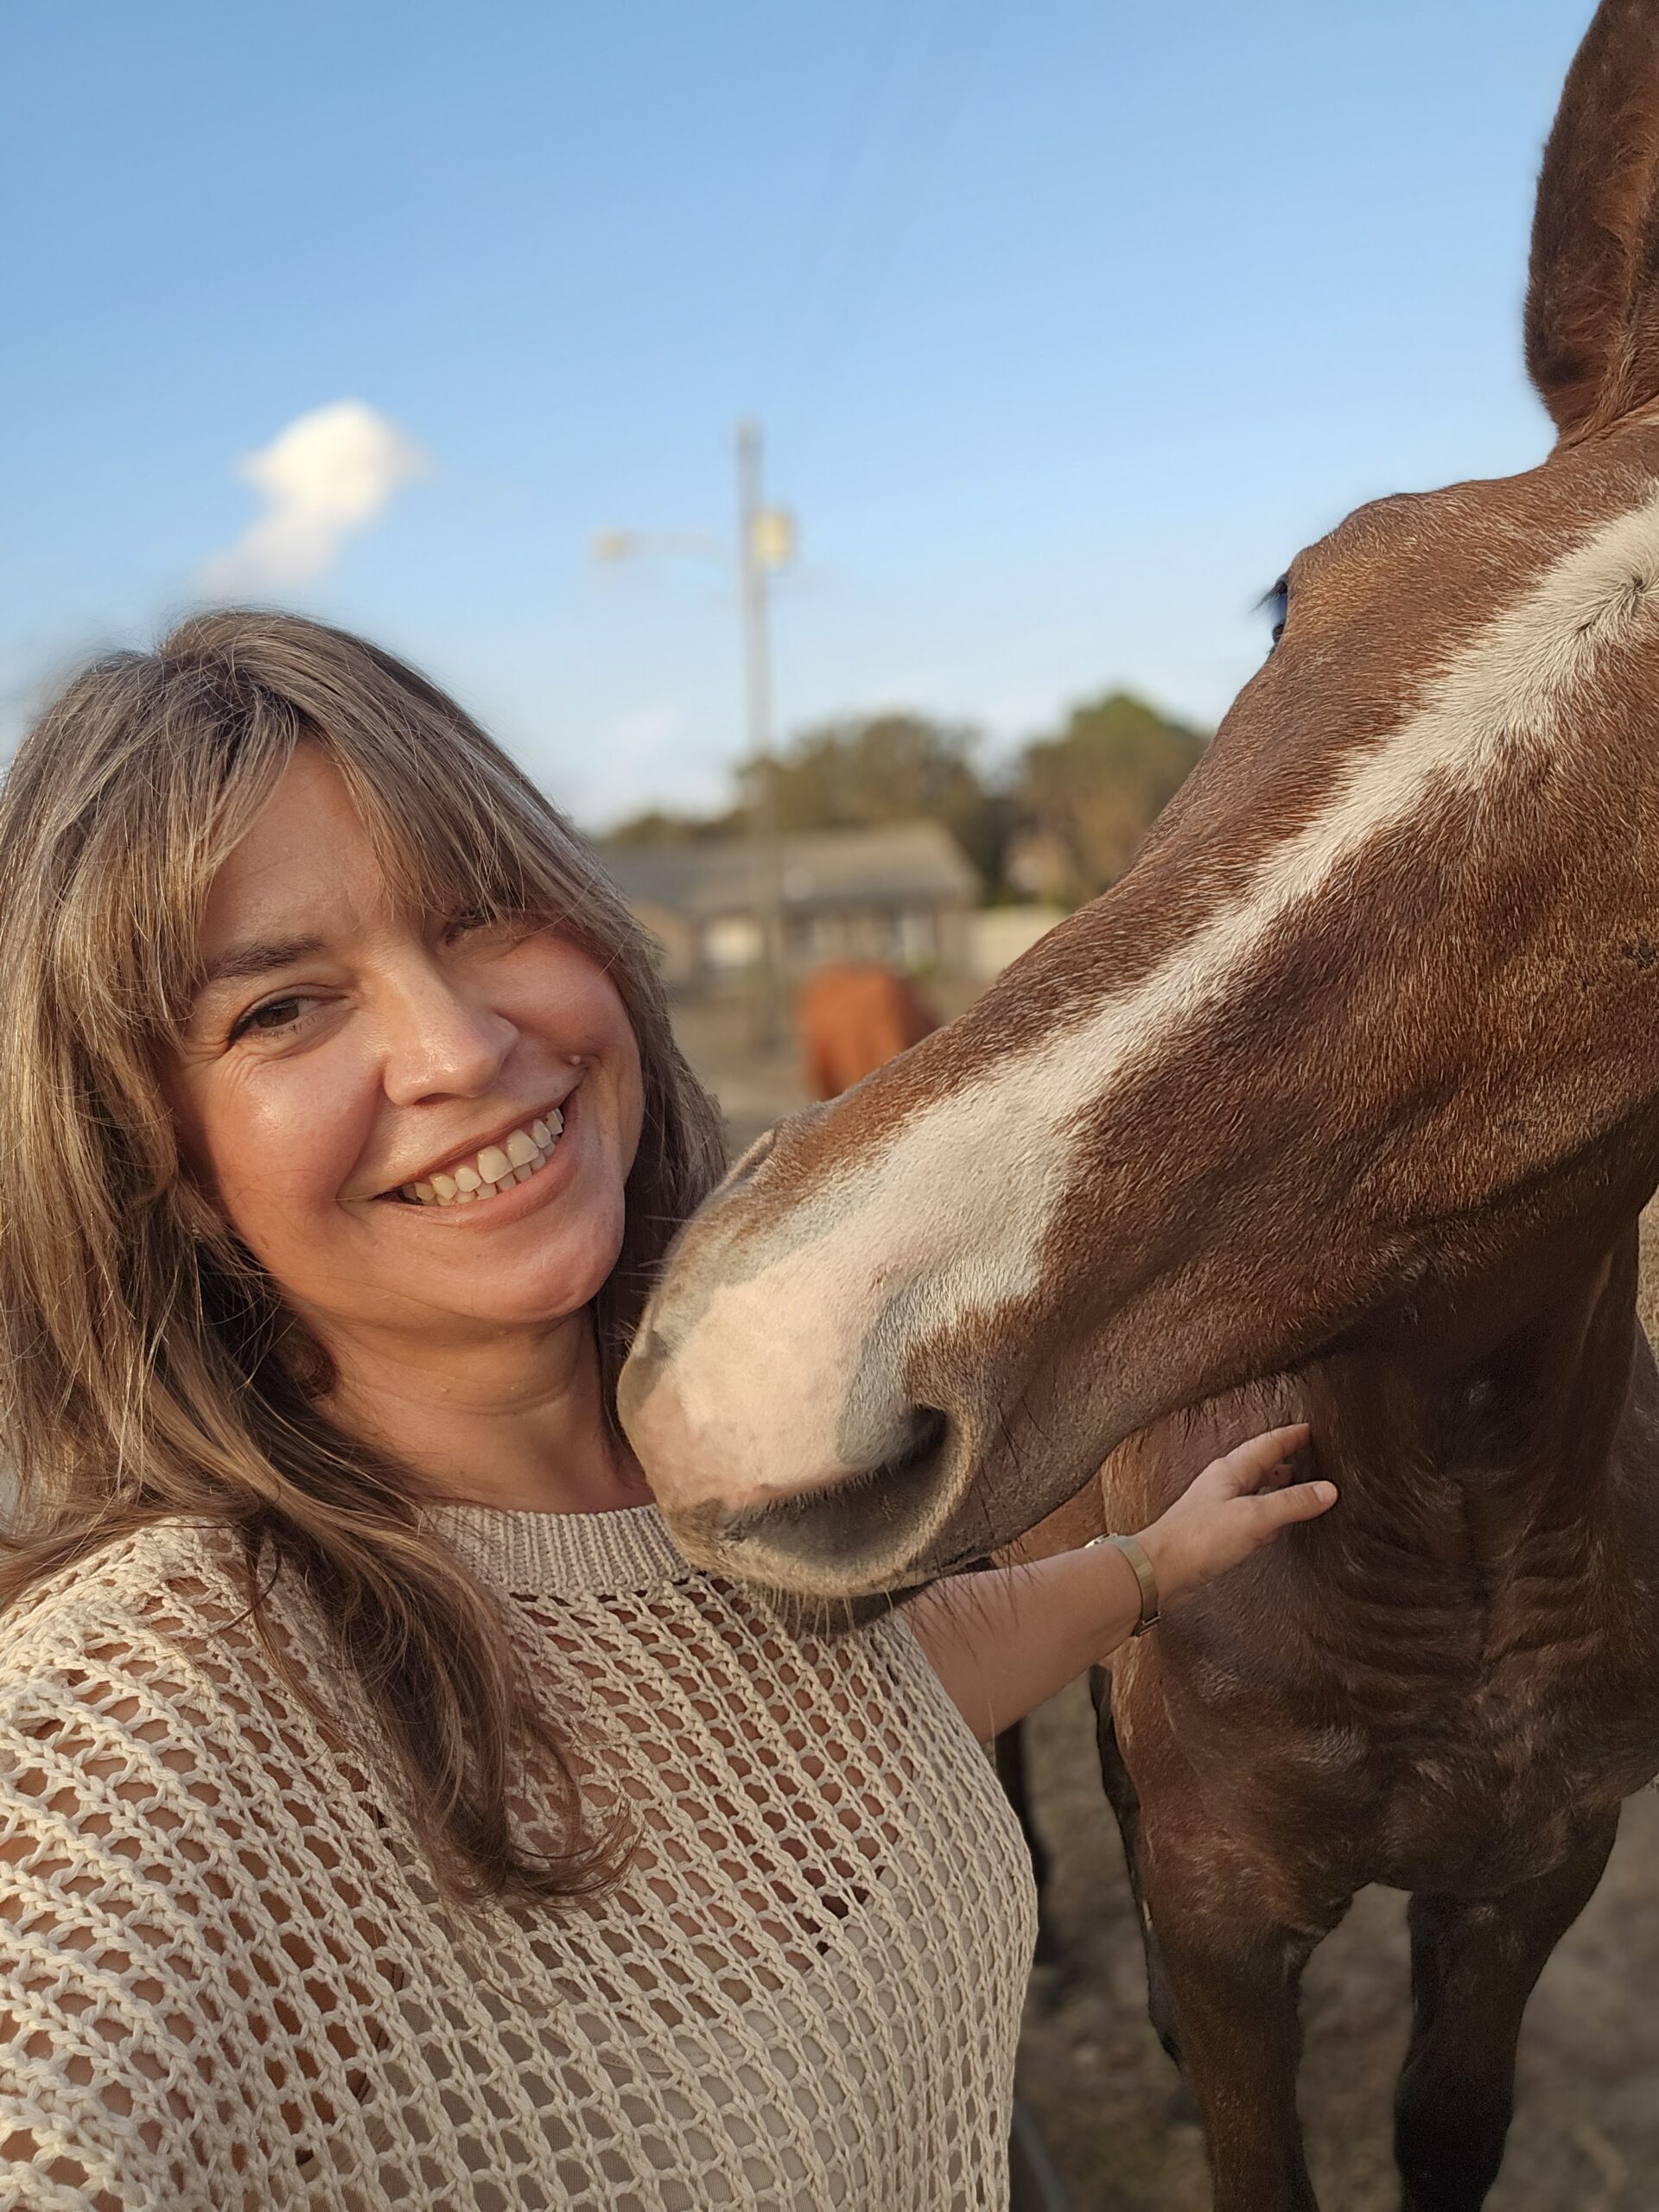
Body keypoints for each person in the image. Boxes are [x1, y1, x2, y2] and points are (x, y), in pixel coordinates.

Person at [0, 611, 1336, 2212]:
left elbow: (858, 1703)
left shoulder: (718, 1469)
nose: (458, 1048)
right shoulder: (138, 1719)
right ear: (156, 1162)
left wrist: (1147, 1567)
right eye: (279, 1007)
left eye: (484, 912)